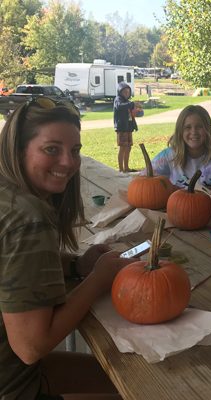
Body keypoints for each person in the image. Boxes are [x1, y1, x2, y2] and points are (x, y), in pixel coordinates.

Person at [0, 97, 133, 399]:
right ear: (19, 150)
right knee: (136, 383)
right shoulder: (28, 218)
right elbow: (31, 346)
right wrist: (98, 279)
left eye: (75, 151)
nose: (69, 163)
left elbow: (13, 263)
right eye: (51, 149)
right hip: (15, 385)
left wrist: (76, 265)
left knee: (115, 376)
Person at [143, 105, 211, 194]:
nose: (193, 132)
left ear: (207, 129)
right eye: (188, 127)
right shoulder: (169, 155)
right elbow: (144, 180)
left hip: (207, 206)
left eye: (199, 126)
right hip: (174, 205)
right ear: (180, 131)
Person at [113, 81, 138, 174]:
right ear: (120, 92)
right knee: (123, 147)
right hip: (122, 128)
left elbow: (132, 114)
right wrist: (131, 104)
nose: (127, 94)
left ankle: (126, 167)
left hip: (128, 128)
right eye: (124, 92)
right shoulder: (118, 100)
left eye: (128, 92)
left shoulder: (128, 102)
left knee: (128, 147)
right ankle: (121, 169)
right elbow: (119, 107)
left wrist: (137, 110)